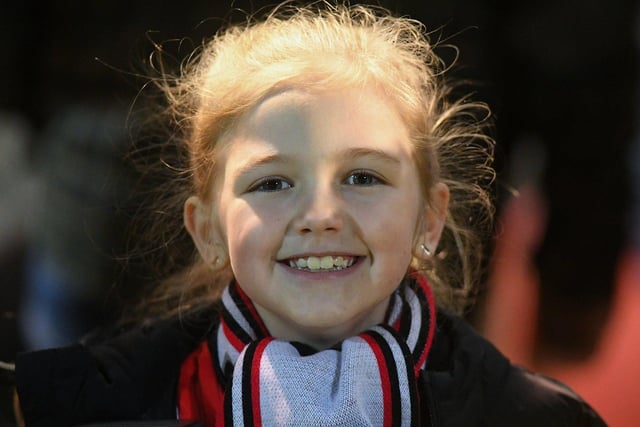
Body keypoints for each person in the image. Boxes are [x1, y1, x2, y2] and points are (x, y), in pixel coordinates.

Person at [9, 2, 604, 426]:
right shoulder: (75, 403)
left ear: (430, 218)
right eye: (271, 183)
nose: (320, 214)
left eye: (363, 176)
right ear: (208, 230)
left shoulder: (538, 416)